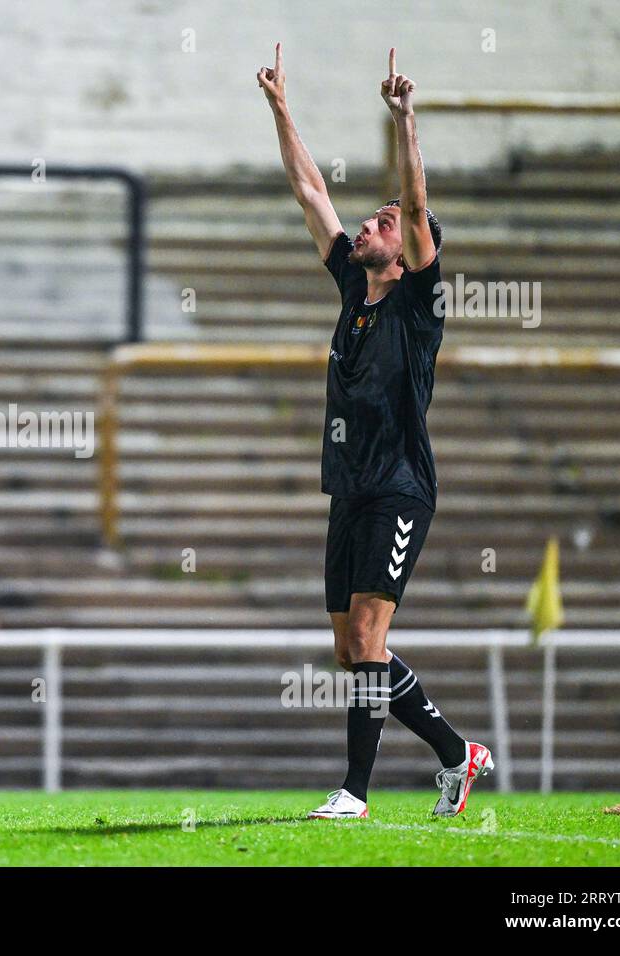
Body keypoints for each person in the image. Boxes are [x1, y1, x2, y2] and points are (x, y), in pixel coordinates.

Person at [258, 44, 491, 820]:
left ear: (409, 252)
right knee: (351, 652)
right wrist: (281, 107)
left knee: (366, 641)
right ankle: (458, 755)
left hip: (399, 486)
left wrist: (405, 119)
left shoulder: (418, 302)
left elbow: (418, 209)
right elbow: (308, 187)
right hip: (350, 486)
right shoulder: (352, 286)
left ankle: (356, 792)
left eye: (381, 222)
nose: (367, 223)